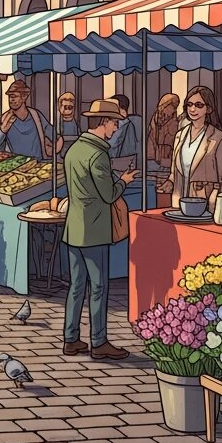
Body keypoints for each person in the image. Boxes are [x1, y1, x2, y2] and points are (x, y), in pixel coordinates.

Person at [62, 100, 138, 360]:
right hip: (94, 229)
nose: (116, 127)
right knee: (98, 287)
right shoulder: (98, 154)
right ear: (103, 122)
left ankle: (71, 338)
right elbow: (108, 194)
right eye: (114, 122)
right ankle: (99, 341)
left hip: (74, 228)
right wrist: (124, 181)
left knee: (76, 286)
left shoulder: (74, 150)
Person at [162, 86, 222, 211]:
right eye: (189, 104)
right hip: (179, 203)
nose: (193, 109)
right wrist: (169, 182)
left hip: (205, 205)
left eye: (199, 105)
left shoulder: (219, 138)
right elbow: (175, 172)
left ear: (209, 108)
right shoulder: (180, 135)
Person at [0, 80, 53, 159]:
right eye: (10, 96)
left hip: (37, 165)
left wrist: (52, 150)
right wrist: (3, 129)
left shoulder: (36, 115)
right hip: (16, 166)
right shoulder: (6, 118)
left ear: (24, 97)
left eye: (14, 96)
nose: (11, 100)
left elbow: (55, 136)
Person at [146, 93, 182, 166]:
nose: (173, 109)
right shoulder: (155, 120)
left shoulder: (174, 121)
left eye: (175, 107)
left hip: (168, 159)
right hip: (154, 158)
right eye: (172, 106)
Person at [105, 94, 141, 161]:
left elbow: (110, 145)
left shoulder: (125, 125)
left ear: (123, 112)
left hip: (120, 161)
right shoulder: (117, 123)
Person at [54, 92, 83, 157]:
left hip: (74, 153)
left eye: (69, 107)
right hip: (60, 155)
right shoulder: (58, 122)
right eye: (64, 107)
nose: (66, 110)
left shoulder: (75, 122)